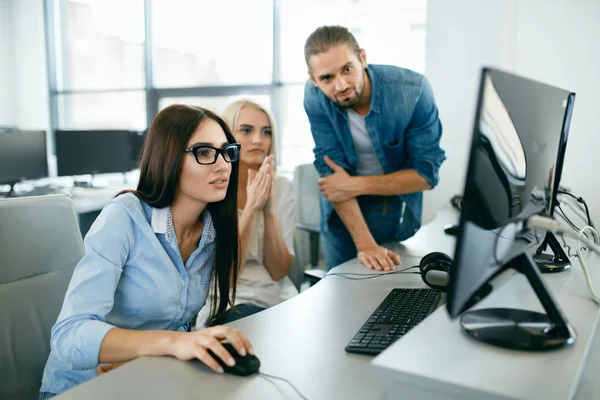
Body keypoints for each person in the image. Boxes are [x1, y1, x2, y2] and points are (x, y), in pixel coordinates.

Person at [39, 105, 254, 399]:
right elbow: (68, 335)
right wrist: (171, 343)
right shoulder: (123, 218)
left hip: (151, 378)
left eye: (226, 150)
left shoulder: (211, 230)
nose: (223, 165)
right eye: (204, 152)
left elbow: (177, 322)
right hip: (85, 387)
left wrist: (187, 343)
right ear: (169, 158)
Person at [303, 25, 446, 271]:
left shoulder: (414, 91)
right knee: (341, 289)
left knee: (387, 285)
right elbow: (332, 174)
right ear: (313, 80)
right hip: (341, 210)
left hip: (388, 203)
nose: (341, 85)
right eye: (327, 78)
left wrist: (353, 185)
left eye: (347, 69)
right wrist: (365, 245)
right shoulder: (314, 97)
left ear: (363, 58)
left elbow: (426, 175)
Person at [195, 100, 297, 328]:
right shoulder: (212, 187)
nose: (258, 140)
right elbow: (227, 277)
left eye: (266, 132)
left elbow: (279, 271)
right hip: (230, 301)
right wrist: (251, 209)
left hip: (277, 297)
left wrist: (268, 209)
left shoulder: (281, 186)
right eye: (246, 130)